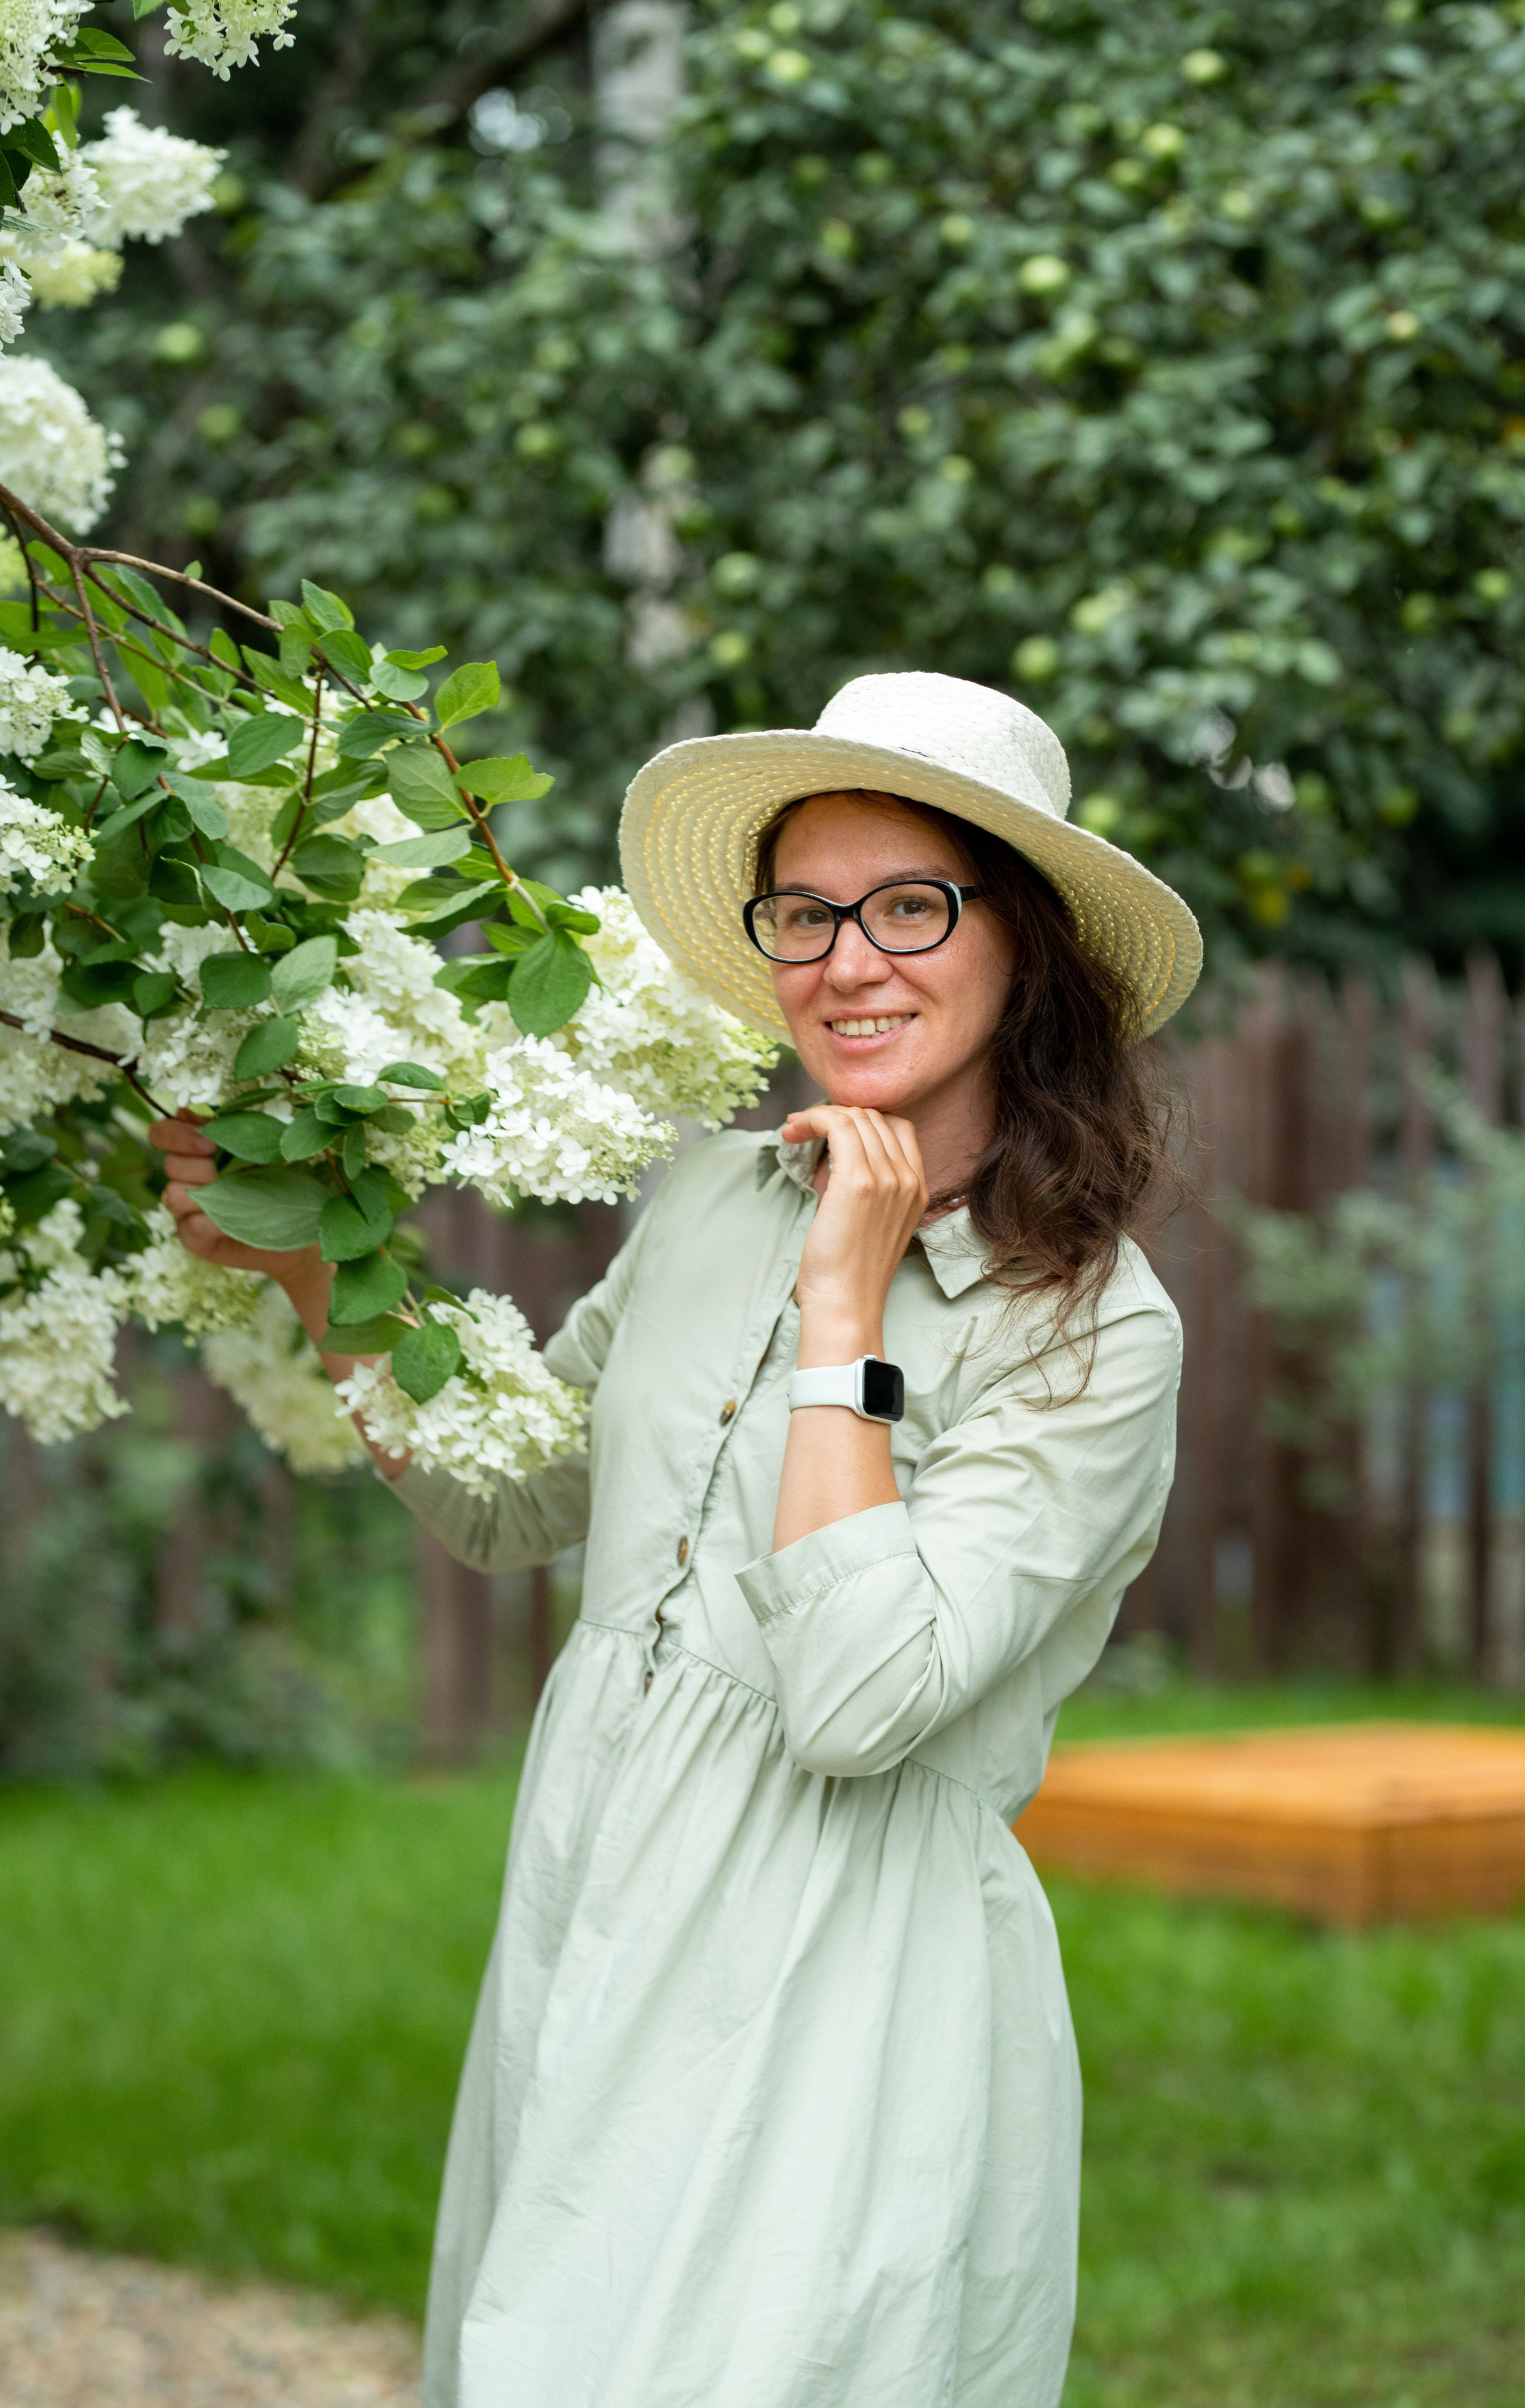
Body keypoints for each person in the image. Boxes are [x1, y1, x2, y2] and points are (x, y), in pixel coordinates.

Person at [154, 670, 1201, 2408]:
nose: (847, 961)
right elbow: (519, 1499)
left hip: (839, 1964)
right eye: (805, 911)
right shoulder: (714, 1193)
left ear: (1023, 942)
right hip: (599, 1876)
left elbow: (859, 1700)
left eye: (909, 906)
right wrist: (313, 1282)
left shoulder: (1092, 1332)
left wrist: (843, 1310)